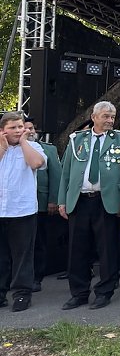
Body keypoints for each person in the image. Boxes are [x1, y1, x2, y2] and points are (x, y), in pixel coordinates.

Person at [57, 101, 120, 310]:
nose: (110, 120)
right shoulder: (77, 139)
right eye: (106, 116)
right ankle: (79, 293)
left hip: (106, 201)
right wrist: (62, 200)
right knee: (77, 249)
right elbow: (66, 172)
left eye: (112, 116)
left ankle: (104, 291)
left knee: (108, 249)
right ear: (94, 116)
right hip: (79, 200)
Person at [0, 111, 47, 312]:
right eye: (13, 128)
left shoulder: (33, 146)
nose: (18, 130)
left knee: (22, 256)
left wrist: (24, 142)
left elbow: (37, 163)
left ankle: (21, 294)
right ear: (3, 131)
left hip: (22, 211)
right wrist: (2, 148)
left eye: (20, 126)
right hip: (1, 211)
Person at [23, 117, 61, 292]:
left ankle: (37, 277)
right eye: (25, 128)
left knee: (38, 241)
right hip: (17, 206)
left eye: (31, 128)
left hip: (41, 203)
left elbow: (56, 175)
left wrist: (53, 199)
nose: (29, 131)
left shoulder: (48, 150)